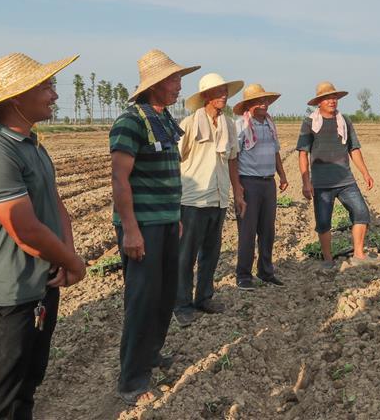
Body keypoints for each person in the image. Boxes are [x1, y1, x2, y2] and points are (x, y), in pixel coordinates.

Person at [0, 52, 86, 419]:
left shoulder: (32, 146)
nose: (54, 95)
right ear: (17, 97)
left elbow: (55, 204)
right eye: (46, 86)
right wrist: (72, 261)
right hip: (4, 299)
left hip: (39, 287)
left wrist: (66, 255)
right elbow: (25, 229)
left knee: (25, 388)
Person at [110, 49, 200, 404]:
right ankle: (131, 380)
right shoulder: (130, 122)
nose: (180, 86)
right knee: (143, 300)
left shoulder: (163, 120)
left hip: (165, 222)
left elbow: (170, 176)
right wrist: (130, 228)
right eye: (175, 80)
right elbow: (120, 177)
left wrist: (175, 216)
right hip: (142, 226)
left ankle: (151, 355)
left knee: (164, 295)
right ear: (155, 85)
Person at [174, 73, 245, 326]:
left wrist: (237, 192)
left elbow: (233, 159)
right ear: (205, 96)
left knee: (211, 253)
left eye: (225, 91)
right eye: (218, 92)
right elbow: (176, 159)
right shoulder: (189, 124)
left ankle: (204, 297)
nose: (223, 95)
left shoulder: (229, 124)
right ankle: (181, 304)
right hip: (193, 199)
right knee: (186, 255)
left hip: (219, 198)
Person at [296, 82, 375, 268]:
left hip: (345, 181)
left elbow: (353, 149)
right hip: (322, 184)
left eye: (334, 97)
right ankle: (328, 260)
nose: (332, 101)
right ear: (319, 102)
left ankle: (359, 254)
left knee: (361, 213)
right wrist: (306, 182)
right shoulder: (310, 123)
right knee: (323, 222)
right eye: (327, 98)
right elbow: (302, 154)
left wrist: (365, 172)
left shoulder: (344, 121)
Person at [233, 83, 288, 290]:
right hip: (249, 183)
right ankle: (243, 275)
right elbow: (234, 157)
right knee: (247, 231)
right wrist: (237, 187)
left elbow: (276, 152)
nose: (264, 104)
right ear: (249, 105)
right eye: (259, 101)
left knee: (267, 230)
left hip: (268, 183)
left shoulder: (270, 125)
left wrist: (282, 175)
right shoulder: (241, 126)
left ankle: (266, 271)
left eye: (265, 101)